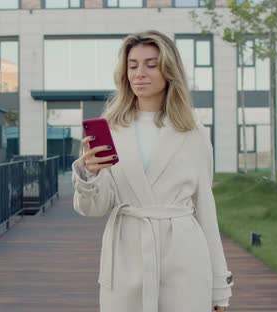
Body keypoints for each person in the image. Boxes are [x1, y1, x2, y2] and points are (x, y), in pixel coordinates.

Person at [71, 30, 234, 312]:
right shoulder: (110, 129)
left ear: (169, 70)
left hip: (183, 258)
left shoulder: (194, 133)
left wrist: (219, 288)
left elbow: (206, 208)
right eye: (132, 65)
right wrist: (90, 175)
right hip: (126, 256)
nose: (139, 73)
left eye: (150, 64)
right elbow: (94, 208)